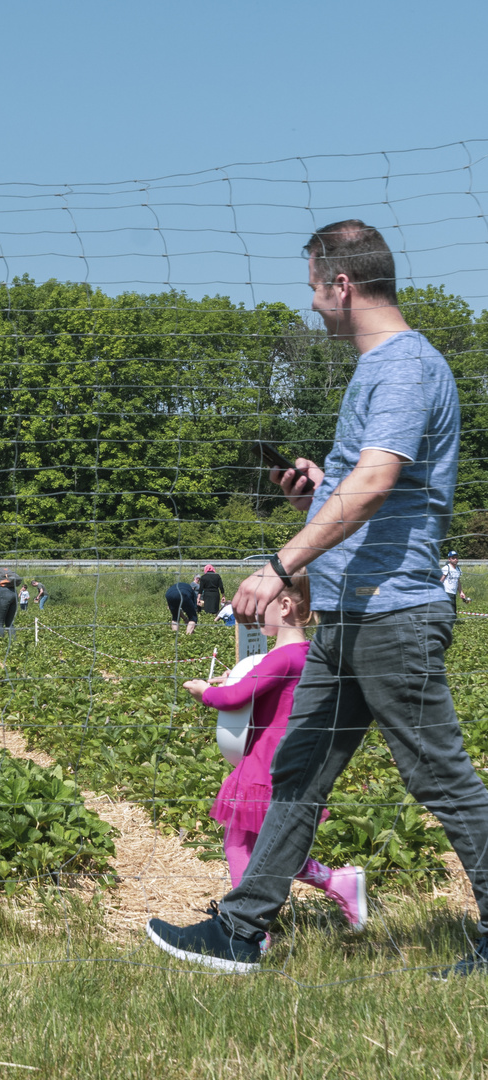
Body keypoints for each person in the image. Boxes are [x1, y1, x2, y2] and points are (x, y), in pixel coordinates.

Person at [147, 219, 488, 978]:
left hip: (392, 617)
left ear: (342, 284)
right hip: (350, 620)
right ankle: (241, 931)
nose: (310, 307)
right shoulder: (382, 369)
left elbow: (375, 485)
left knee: (443, 780)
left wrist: (278, 564)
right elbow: (358, 482)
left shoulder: (401, 367)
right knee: (297, 772)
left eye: (312, 288)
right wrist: (317, 486)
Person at [178, 576, 366, 929]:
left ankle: (247, 925)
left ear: (284, 606)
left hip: (261, 766)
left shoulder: (279, 659)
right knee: (274, 844)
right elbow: (271, 697)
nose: (255, 611)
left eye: (263, 603)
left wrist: (204, 690)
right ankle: (328, 884)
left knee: (240, 844)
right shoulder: (309, 655)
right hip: (287, 762)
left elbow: (233, 698)